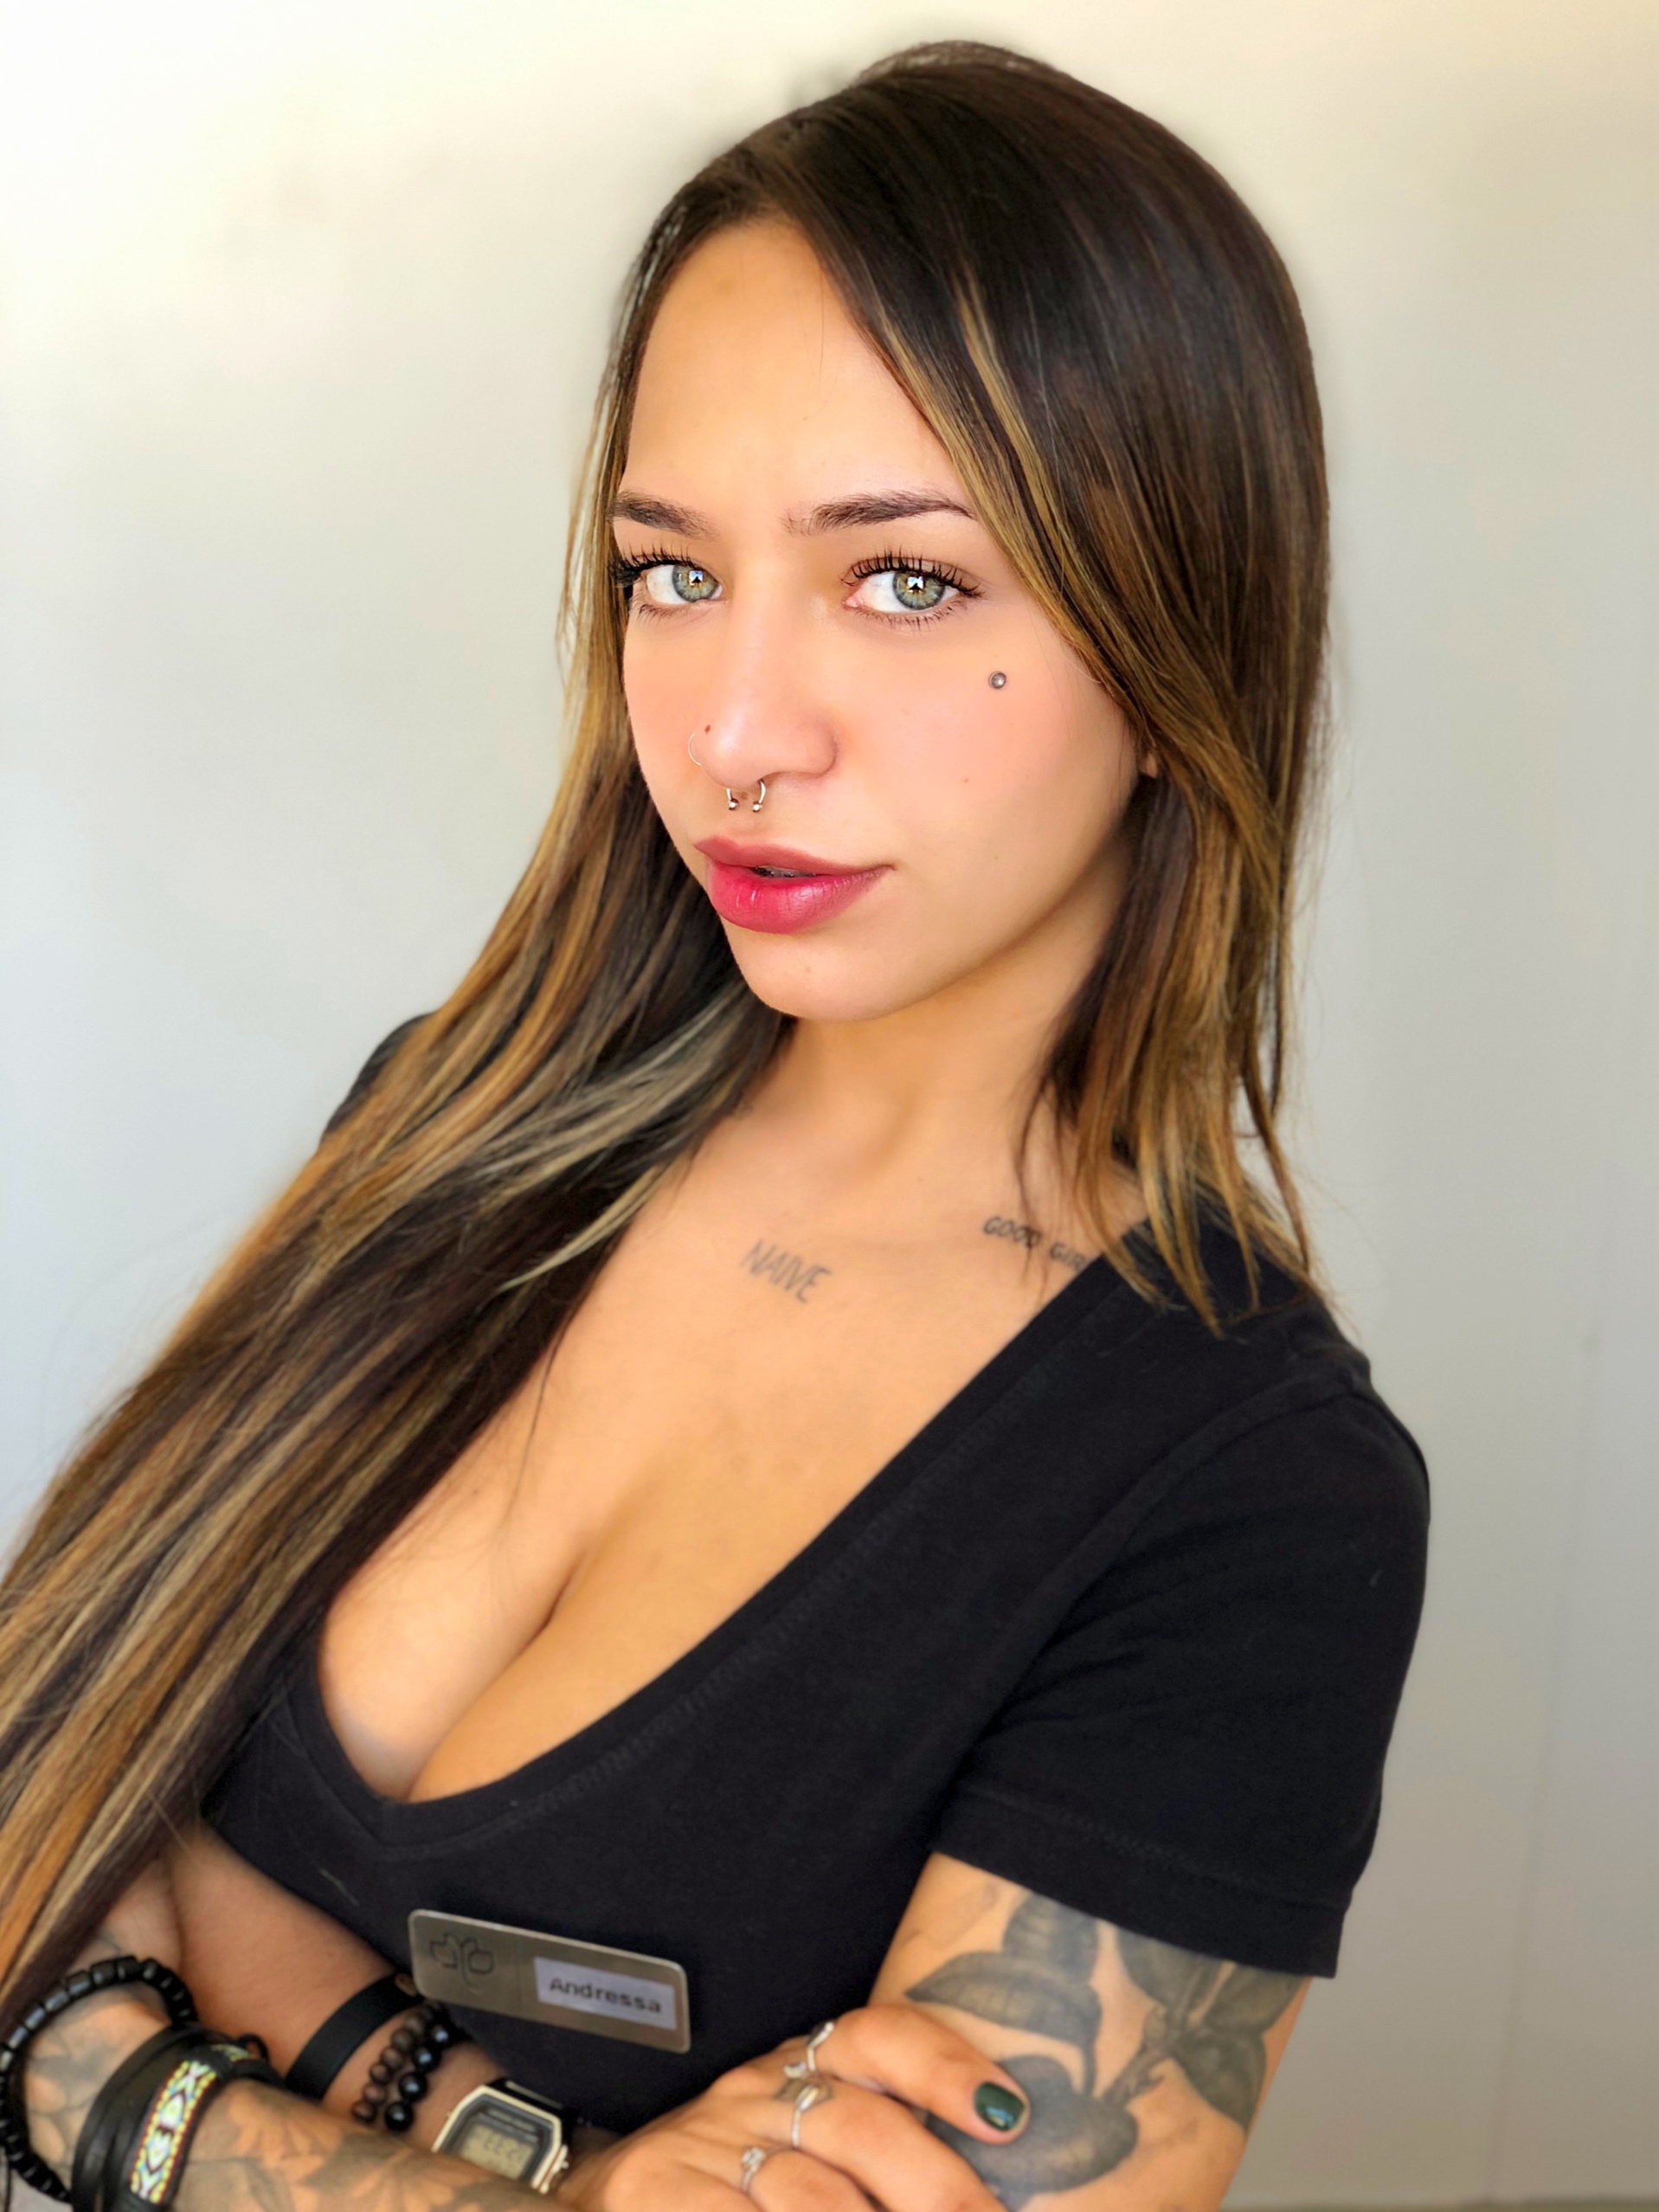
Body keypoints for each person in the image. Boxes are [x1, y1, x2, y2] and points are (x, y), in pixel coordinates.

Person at [0, 41, 1428, 2212]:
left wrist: (125, 2022)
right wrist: (503, 2150)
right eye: (670, 571)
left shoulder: (1244, 1505)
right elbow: (53, 1739)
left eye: (905, 580)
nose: (735, 730)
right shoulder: (455, 1121)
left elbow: (94, 1849)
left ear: (1179, 641)